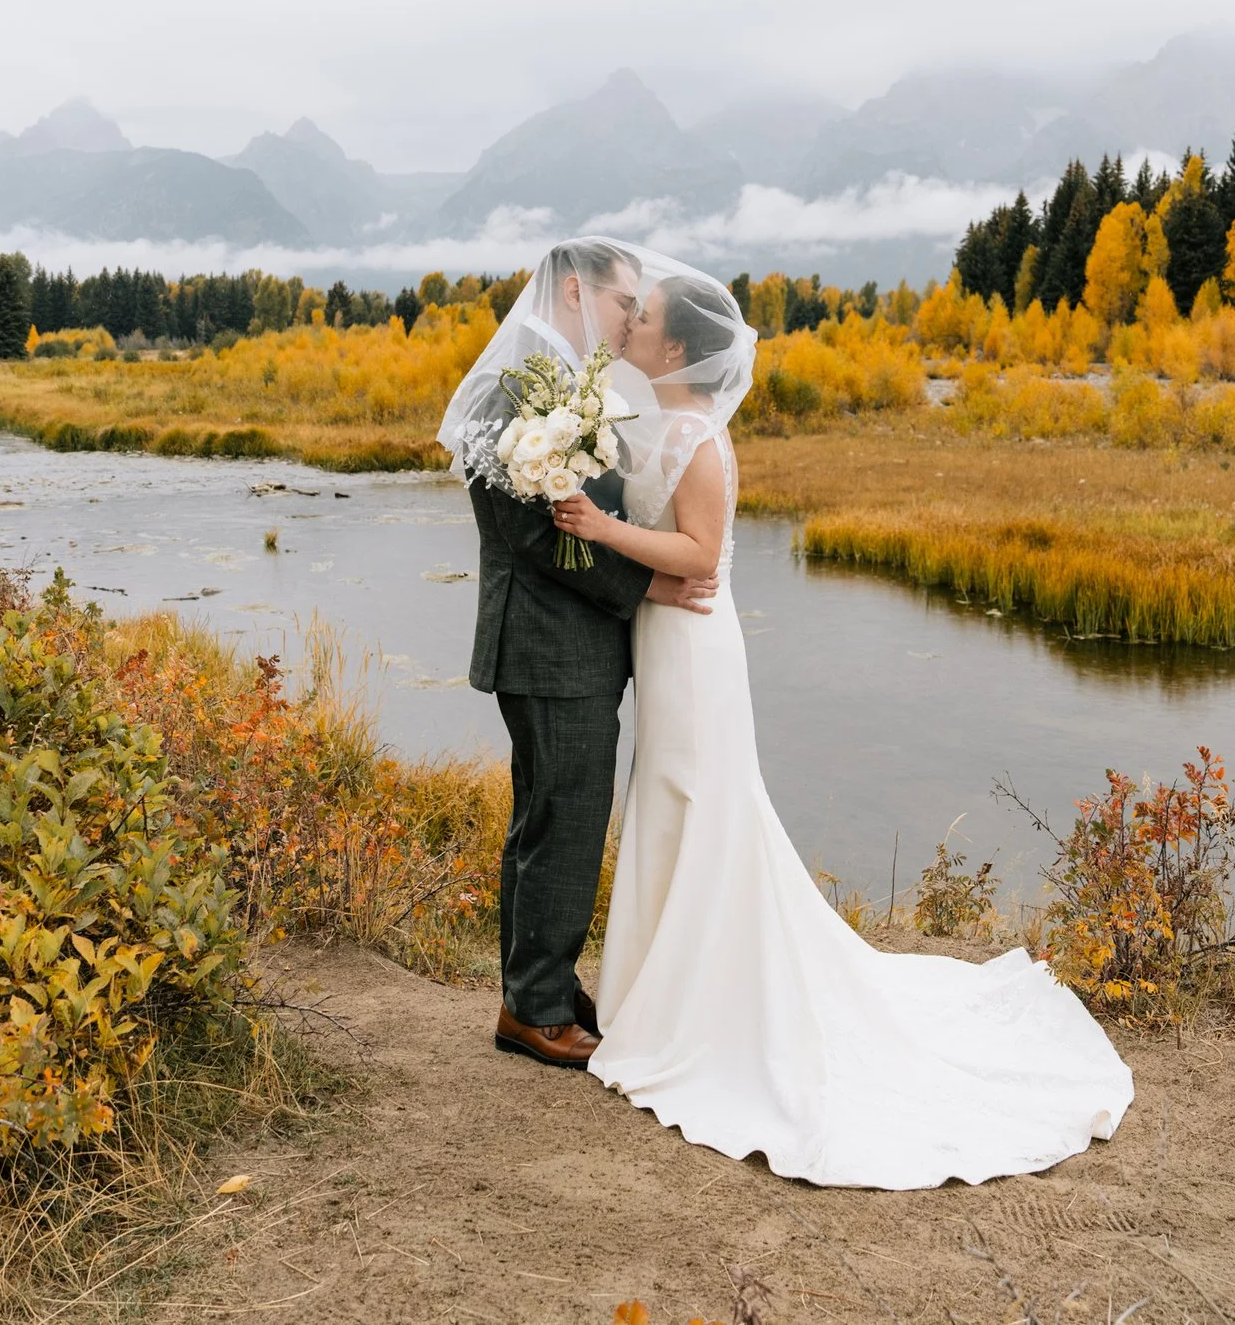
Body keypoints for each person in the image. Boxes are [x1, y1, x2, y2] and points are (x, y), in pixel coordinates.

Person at [547, 258, 1133, 1190]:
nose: (633, 324)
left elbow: (700, 554)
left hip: (696, 651)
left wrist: (600, 529)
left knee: (705, 800)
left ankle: (703, 1006)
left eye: (645, 316)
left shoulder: (700, 438)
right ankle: (654, 991)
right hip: (662, 642)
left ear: (681, 346)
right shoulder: (658, 421)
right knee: (666, 797)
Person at [435, 238, 716, 1069]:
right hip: (550, 645)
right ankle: (538, 1008)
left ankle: (538, 988)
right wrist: (644, 589)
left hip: (563, 643)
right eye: (624, 302)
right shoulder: (516, 385)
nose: (632, 318)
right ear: (573, 291)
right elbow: (531, 534)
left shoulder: (552, 379)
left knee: (546, 818)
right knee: (566, 822)